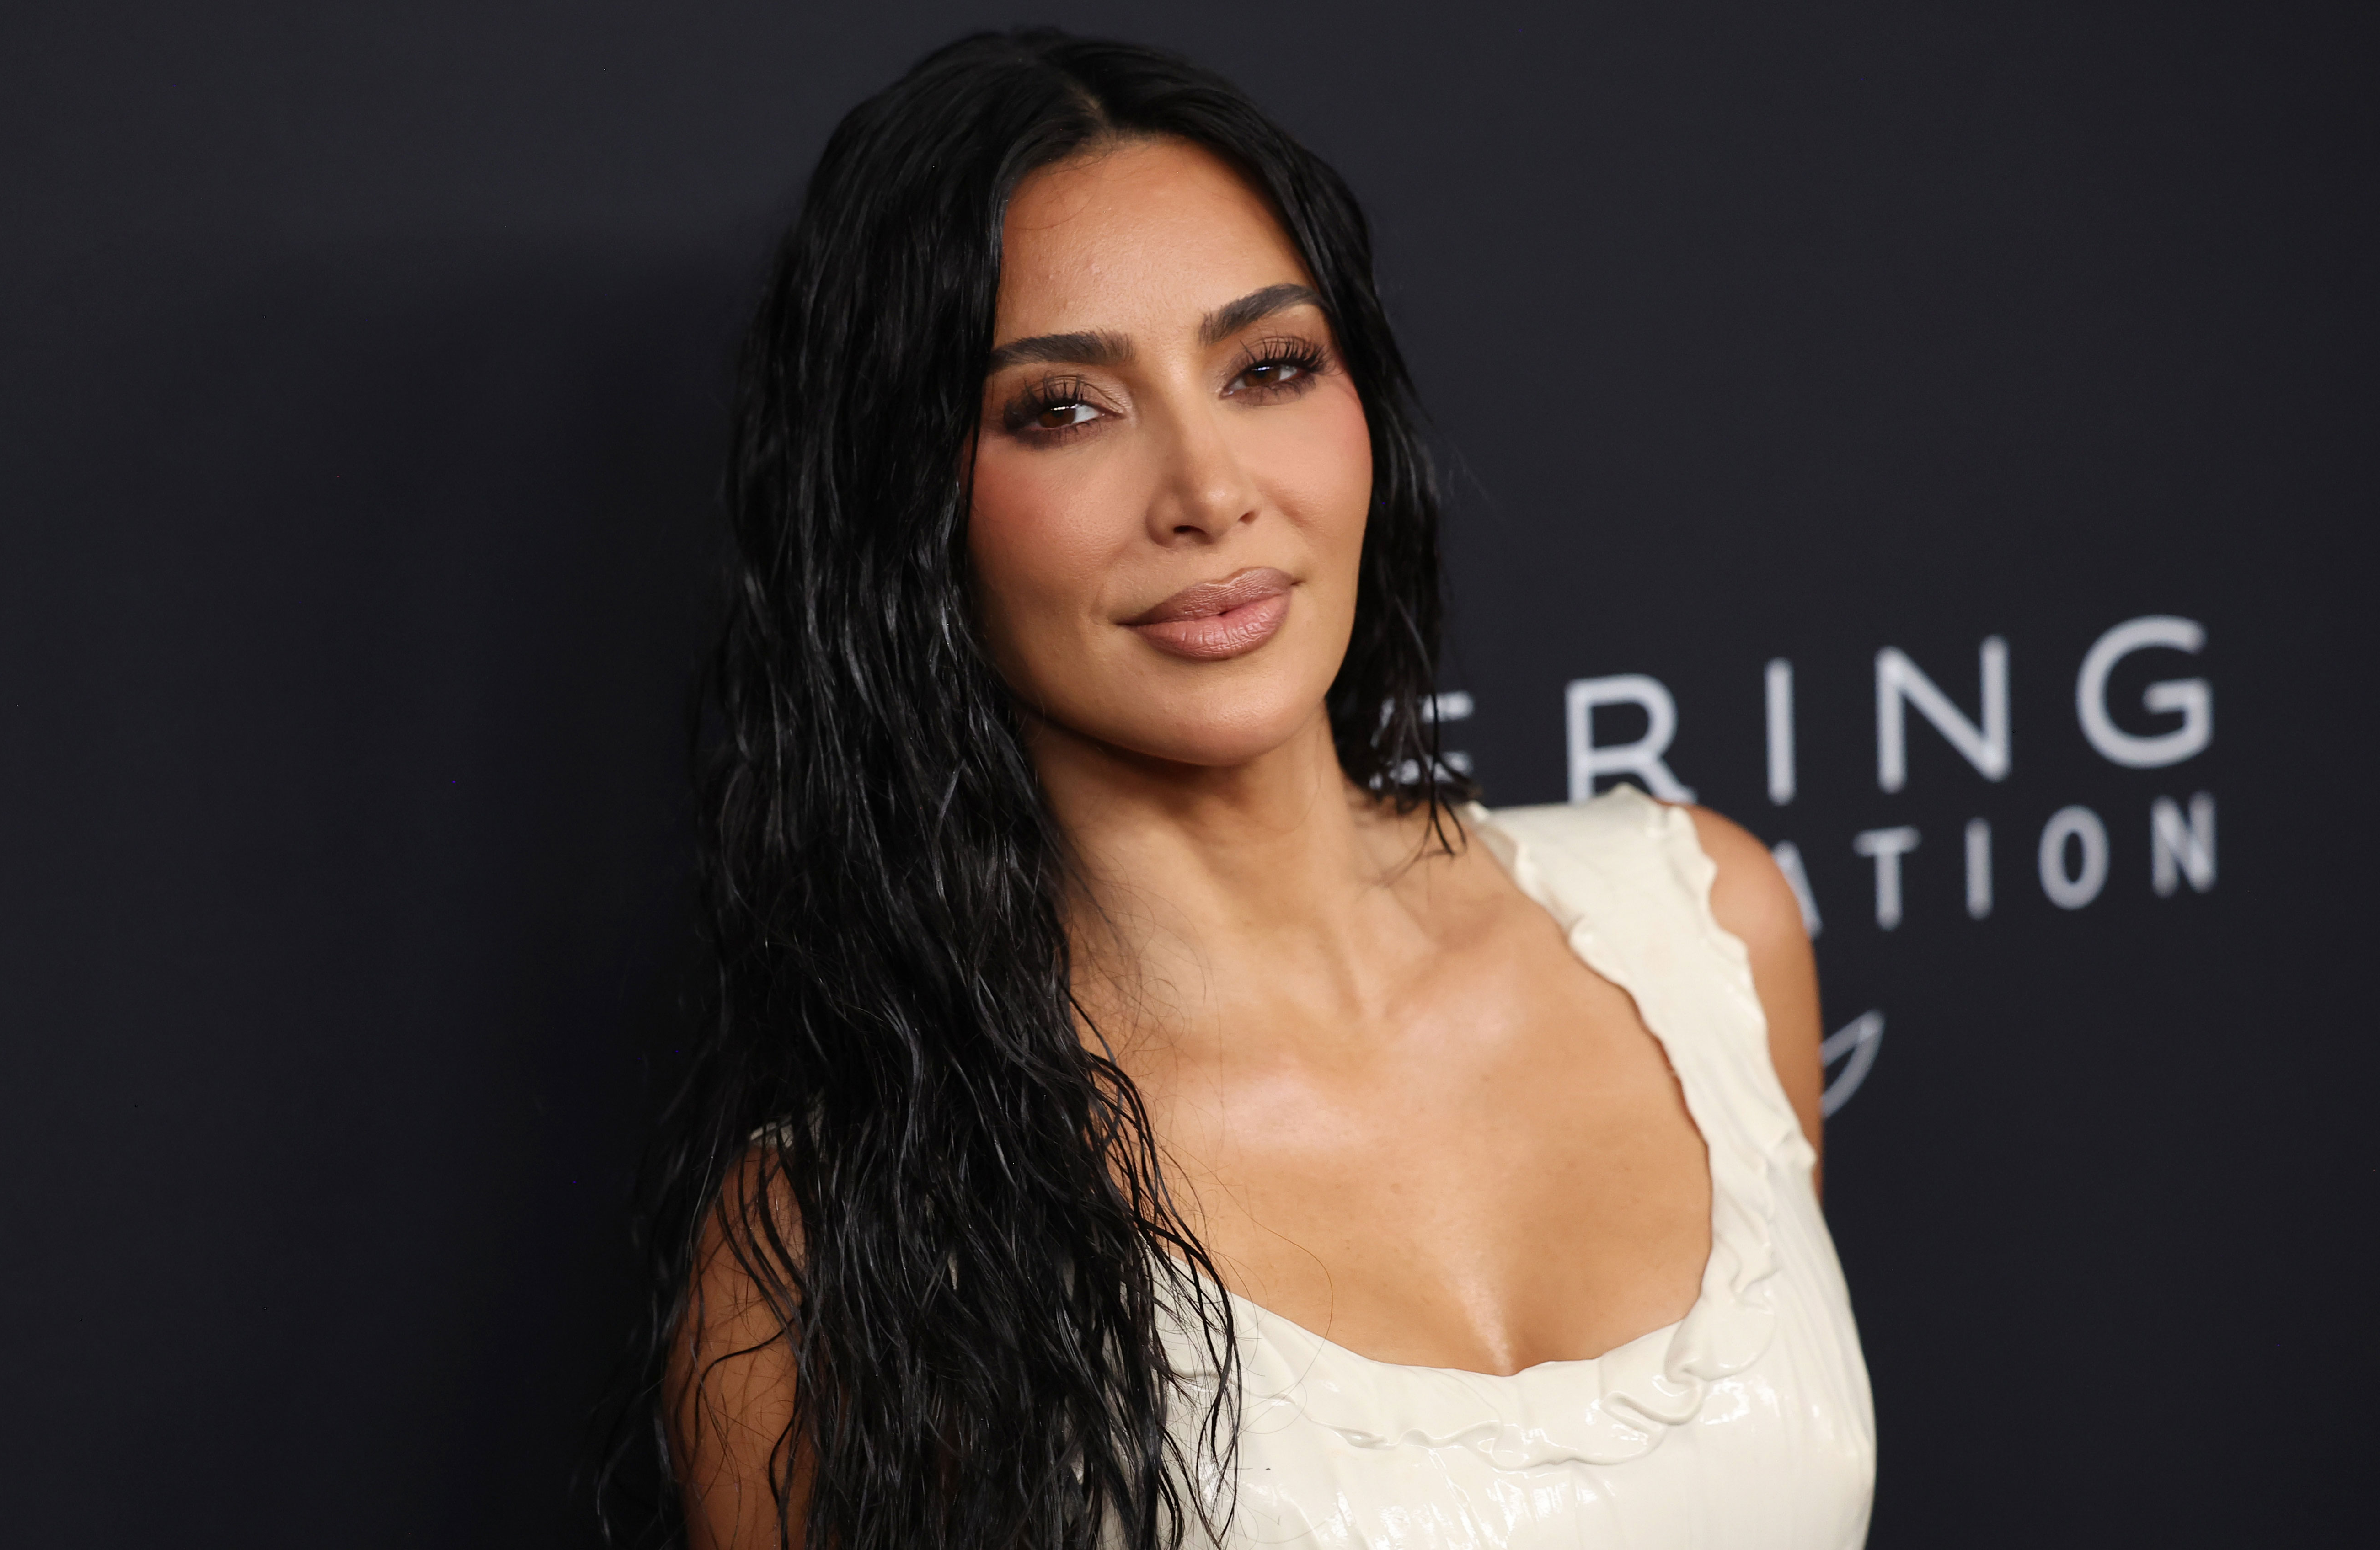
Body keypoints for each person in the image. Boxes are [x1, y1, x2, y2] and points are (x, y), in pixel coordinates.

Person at [625, 27, 1874, 1550]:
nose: (1211, 492)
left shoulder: (1707, 923)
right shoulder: (829, 1247)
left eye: (1268, 366)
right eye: (1064, 409)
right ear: (912, 516)